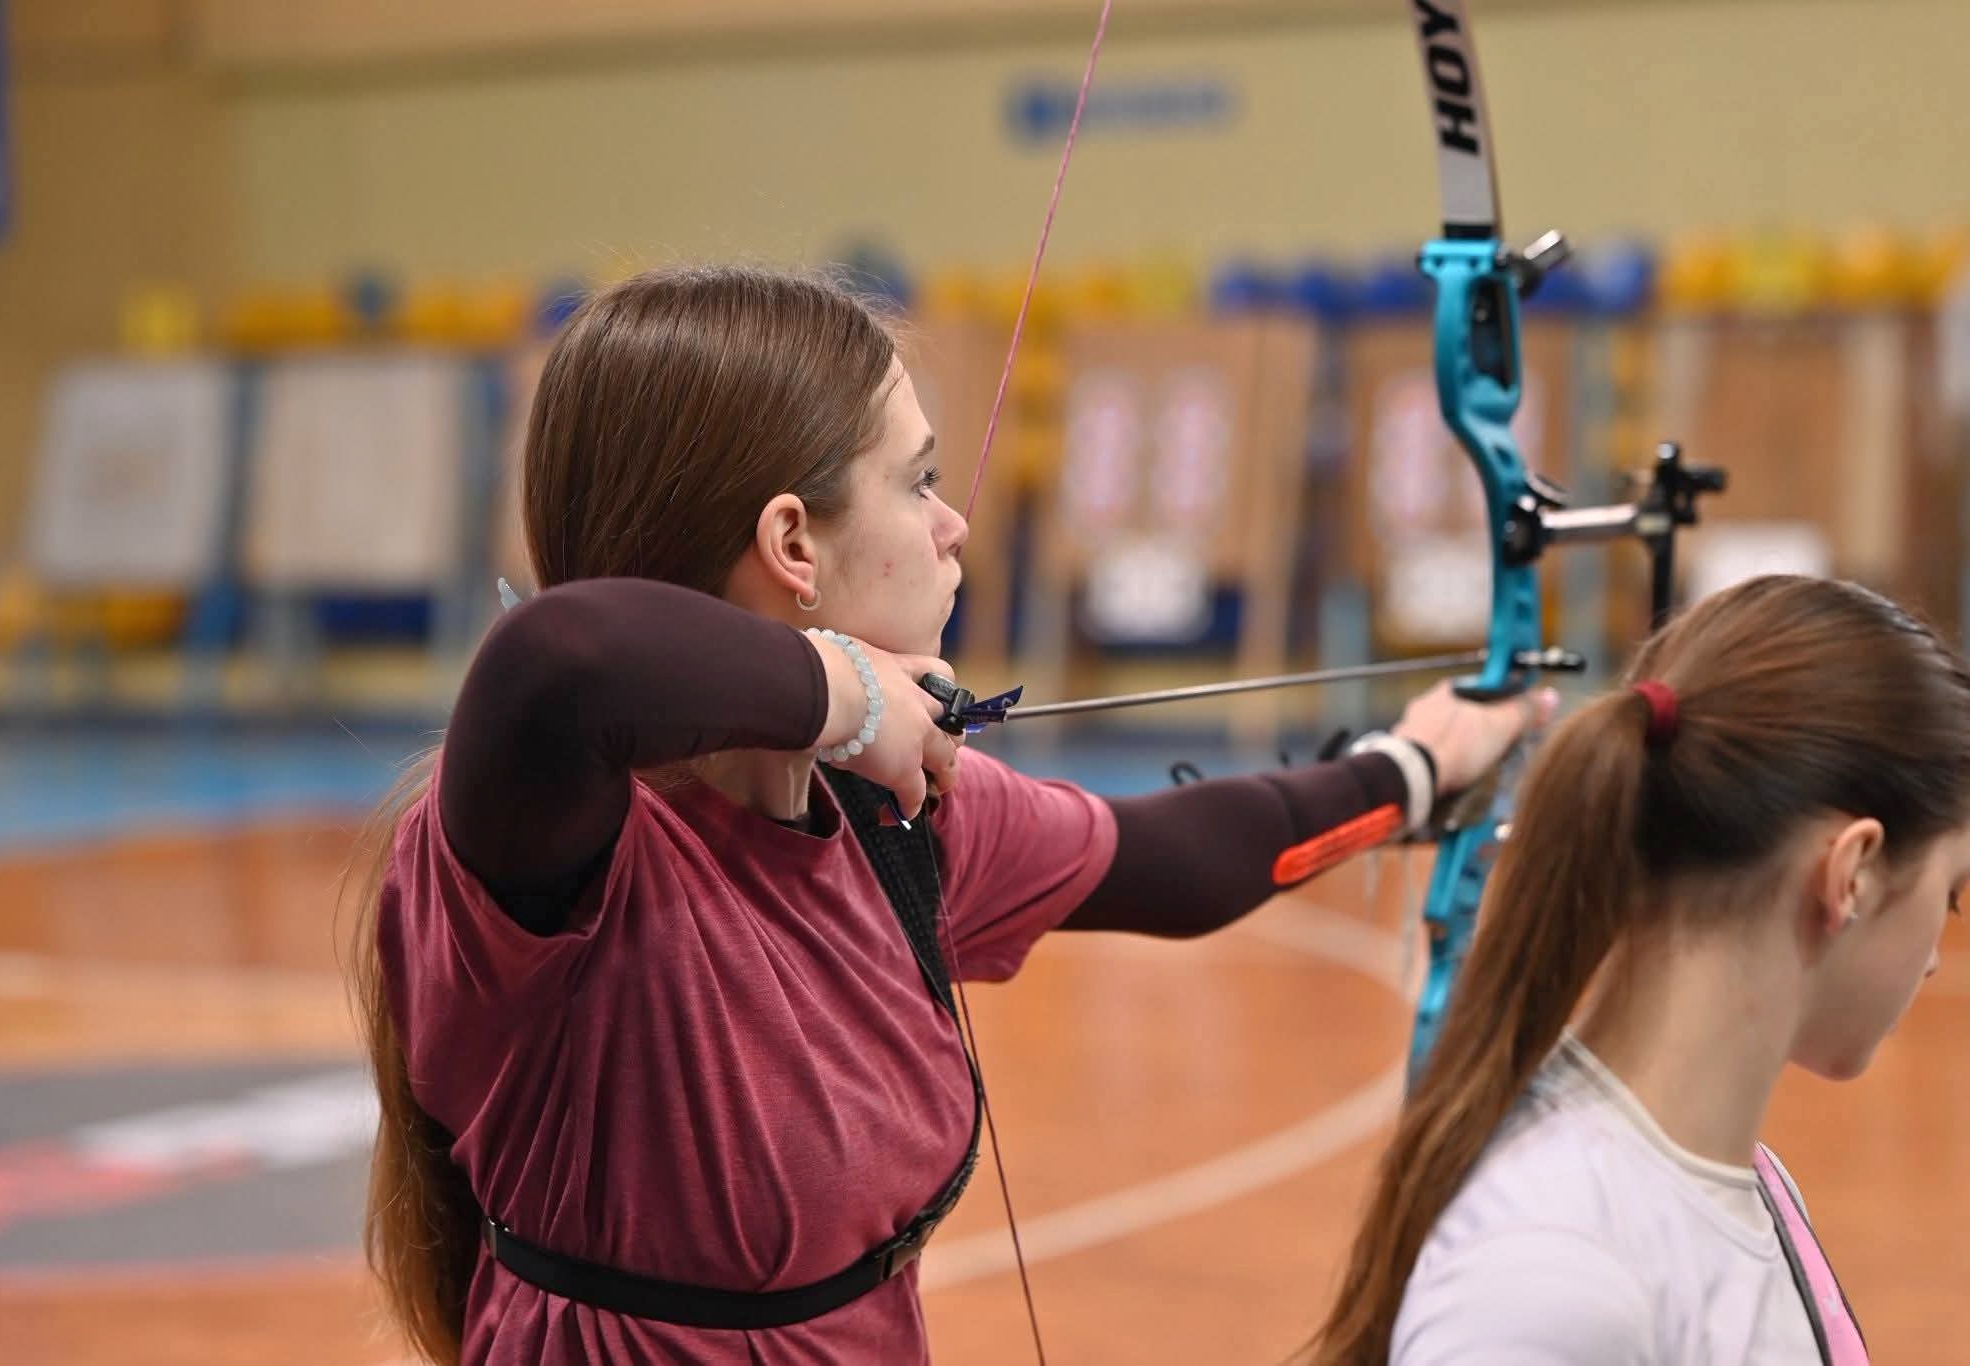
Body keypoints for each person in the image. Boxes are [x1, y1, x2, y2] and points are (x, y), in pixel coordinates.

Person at [346, 264, 1541, 1366]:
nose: (952, 524)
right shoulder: (548, 847)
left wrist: (1411, 771)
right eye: (916, 481)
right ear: (791, 542)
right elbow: (558, 658)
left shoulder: (889, 813)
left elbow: (1172, 860)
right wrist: (852, 693)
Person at [1308, 573, 1970, 1366]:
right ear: (1851, 874)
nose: (1936, 955)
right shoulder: (1552, 1277)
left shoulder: (1732, 1181)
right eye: (1952, 894)